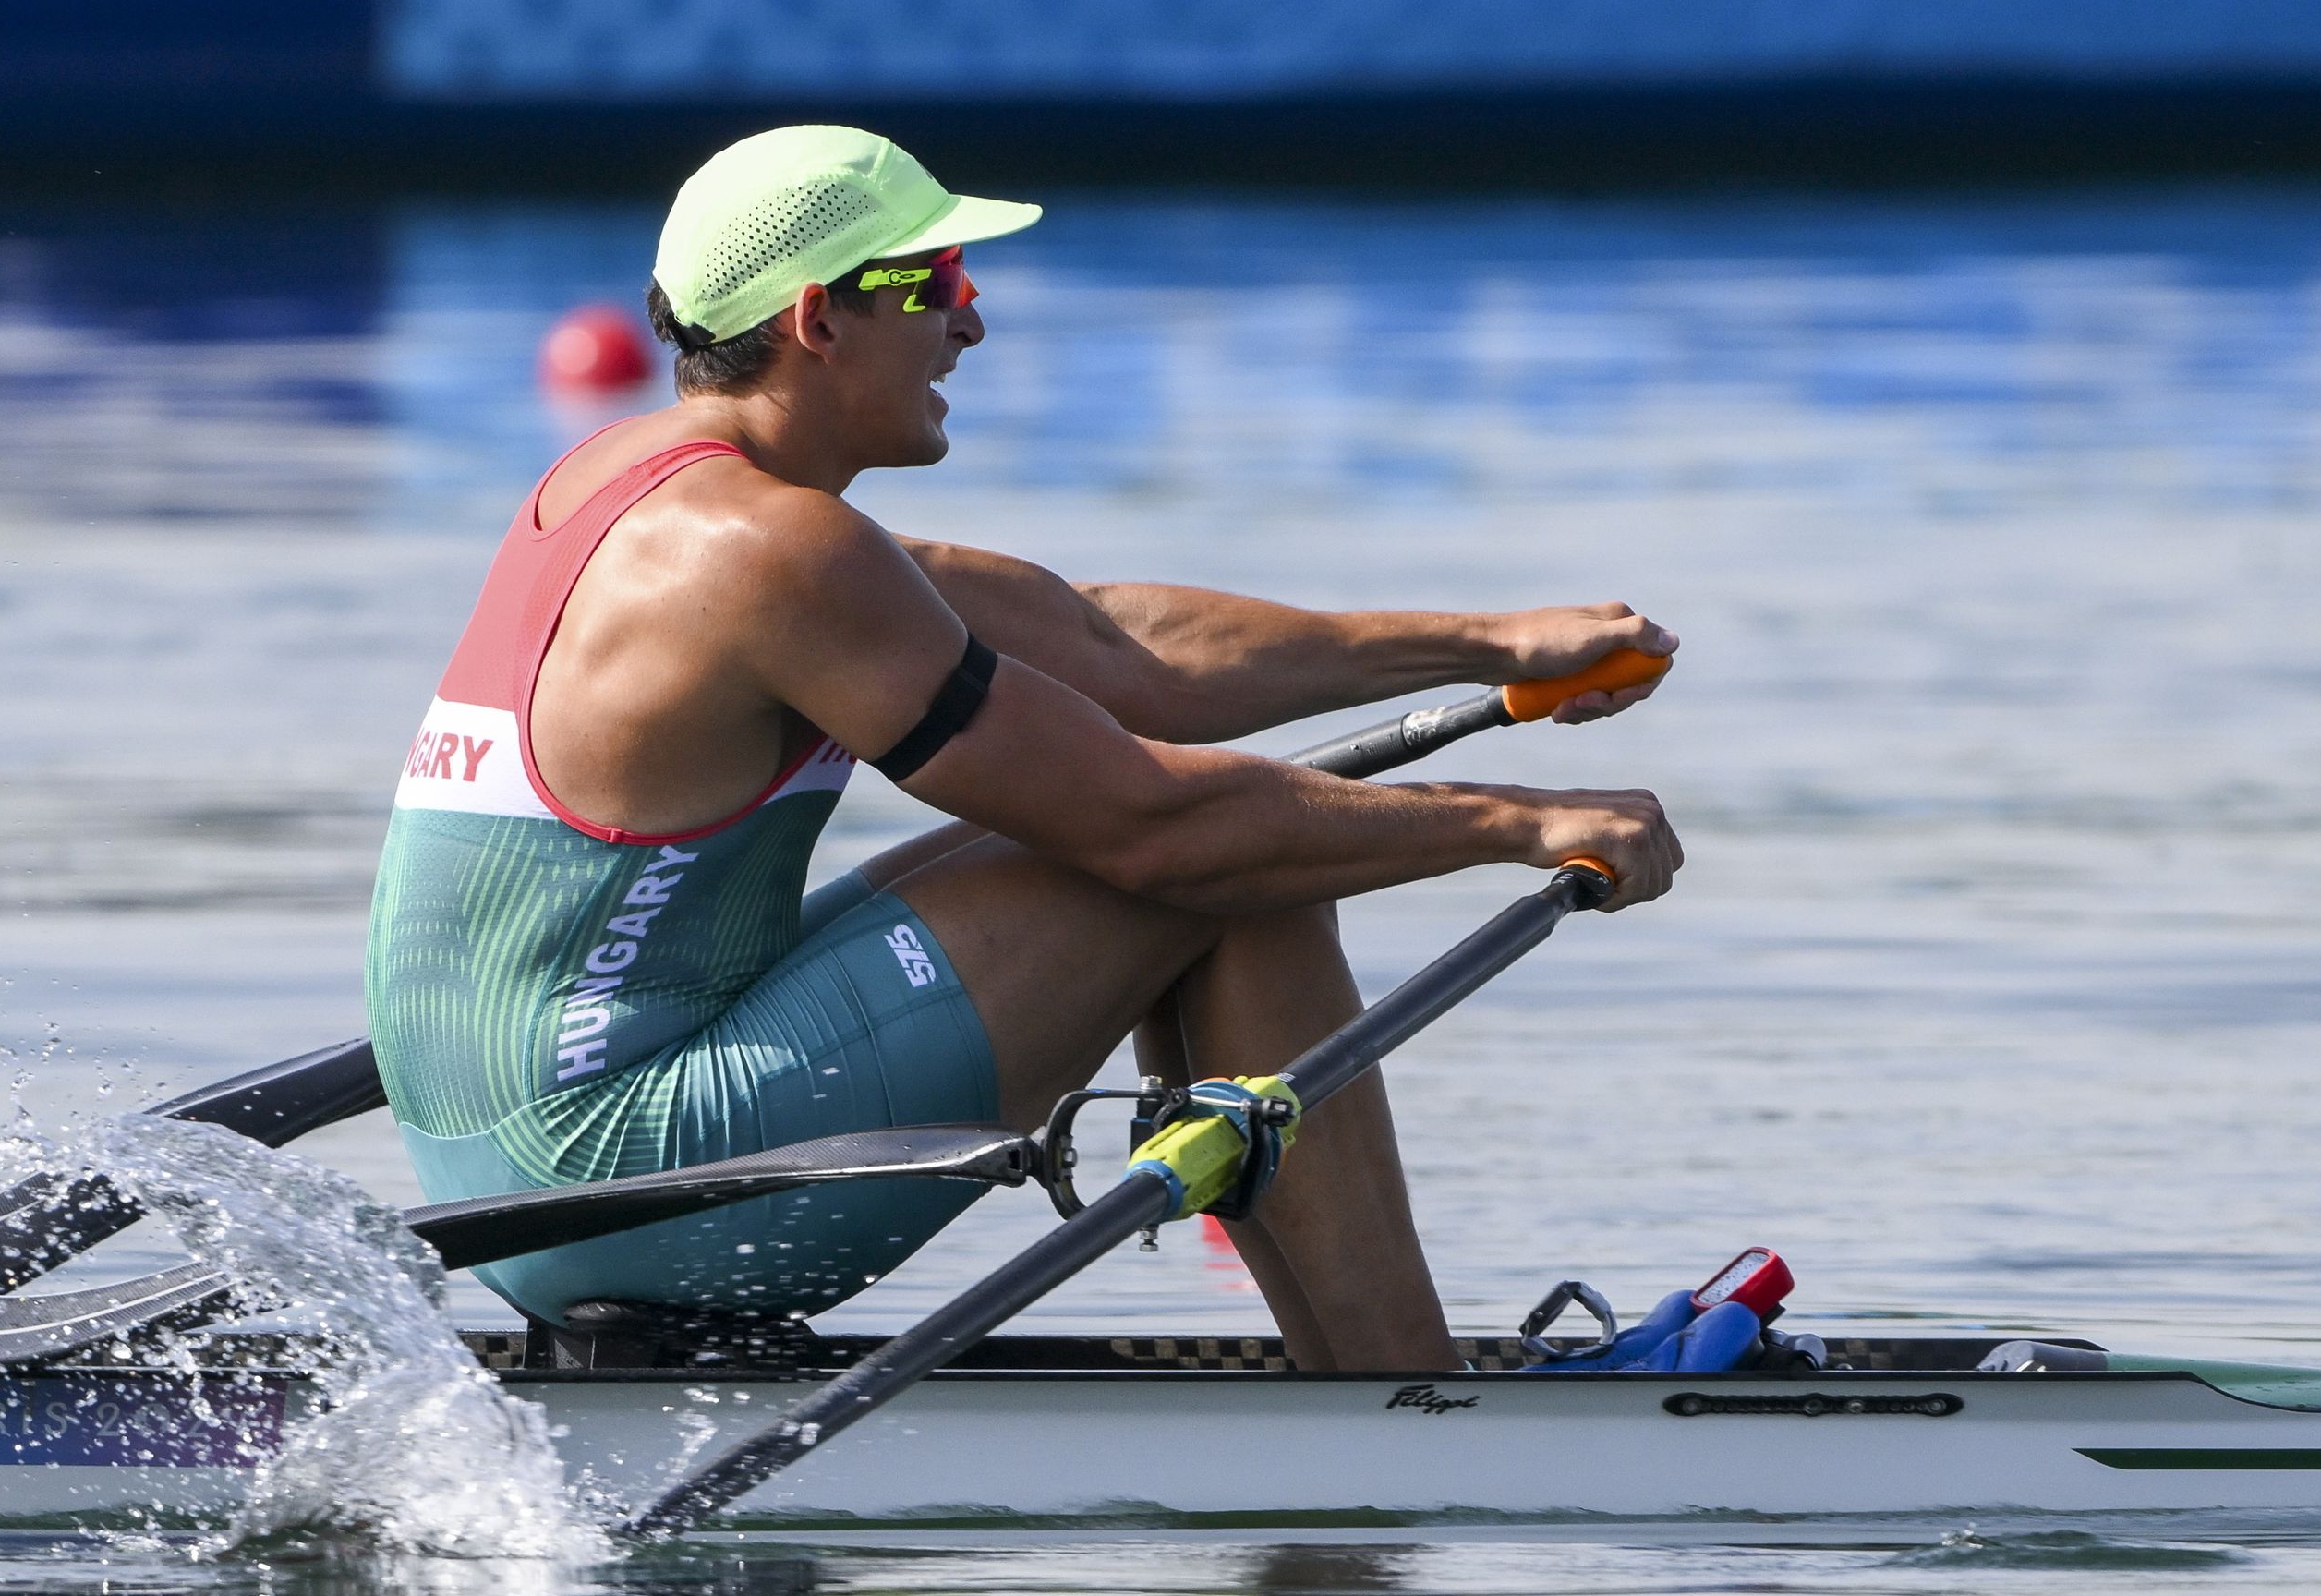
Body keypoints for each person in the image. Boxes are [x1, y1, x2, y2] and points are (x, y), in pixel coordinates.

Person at [367, 126, 1677, 1372]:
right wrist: (1525, 822)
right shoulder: (774, 553)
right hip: (625, 1184)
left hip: (518, 1183)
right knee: (1216, 858)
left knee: (1233, 835)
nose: (973, 318)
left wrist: (1492, 643)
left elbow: (1110, 648)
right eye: (937, 281)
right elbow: (1157, 829)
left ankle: (1382, 1384)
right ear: (821, 319)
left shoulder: (627, 487)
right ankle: (1408, 1402)